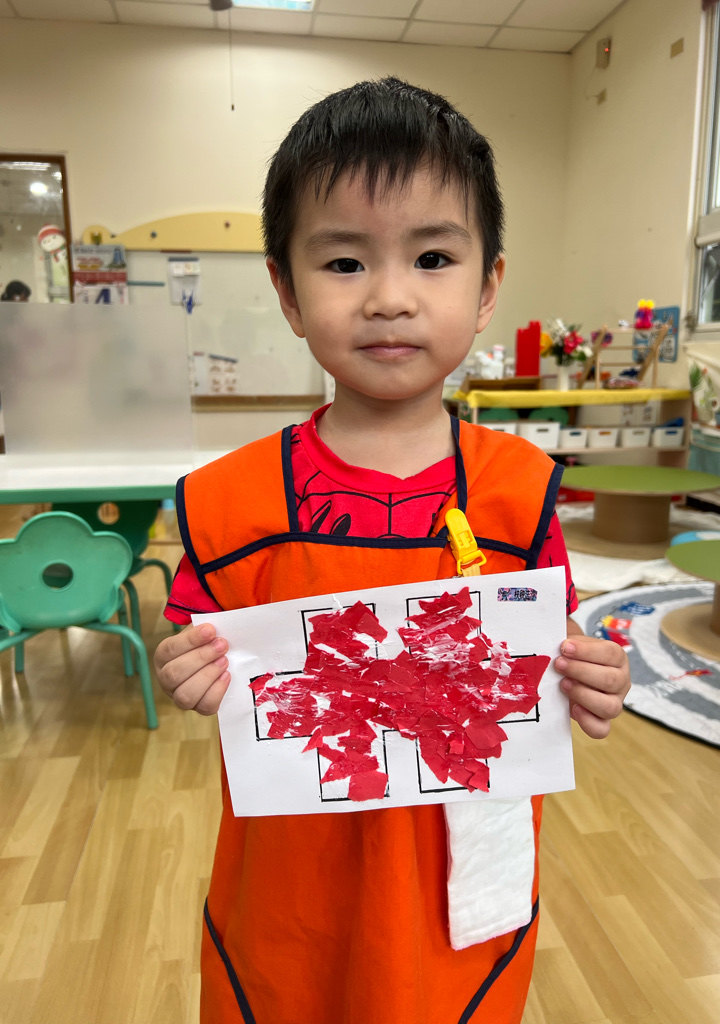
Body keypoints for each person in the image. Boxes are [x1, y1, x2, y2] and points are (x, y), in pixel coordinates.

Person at [154, 77, 630, 1024]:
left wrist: (592, 675)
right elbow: (189, 648)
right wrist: (185, 671)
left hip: (463, 883)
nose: (389, 298)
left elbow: (555, 642)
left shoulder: (521, 490)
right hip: (293, 885)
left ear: (487, 287)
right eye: (343, 263)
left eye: (433, 257)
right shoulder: (228, 504)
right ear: (287, 293)